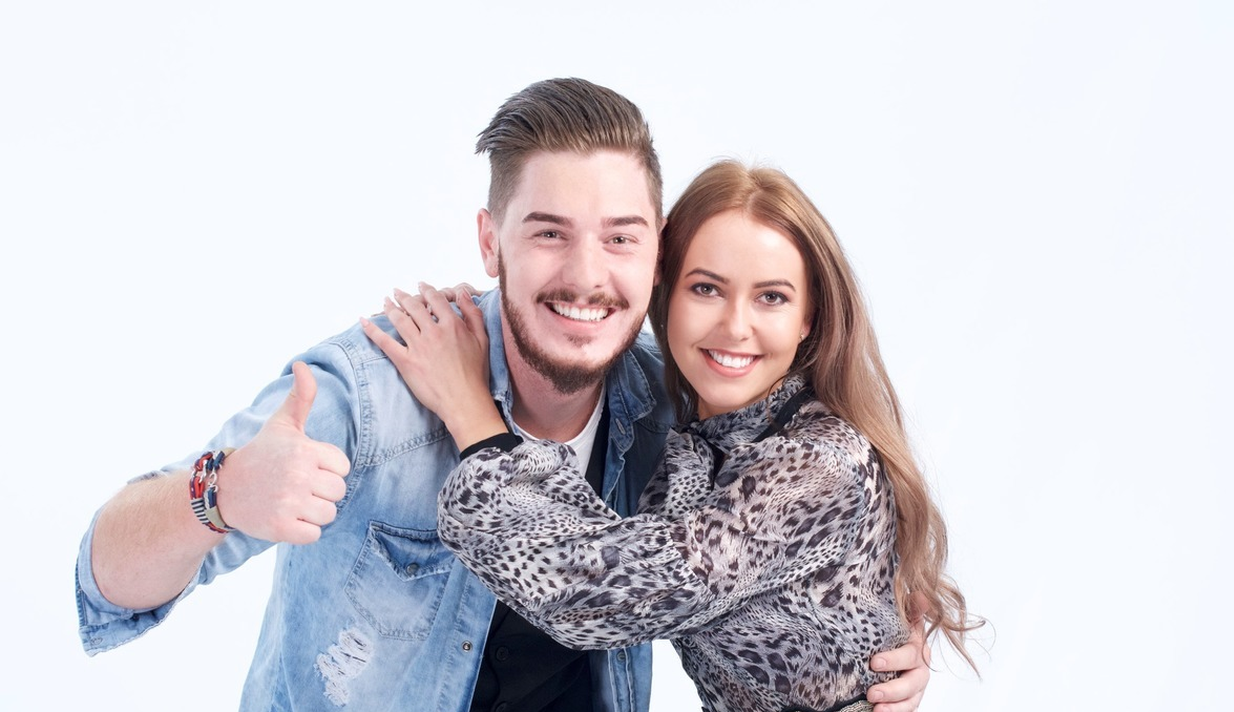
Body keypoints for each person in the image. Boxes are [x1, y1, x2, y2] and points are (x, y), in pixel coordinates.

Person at [76, 79, 931, 711]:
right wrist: (219, 494)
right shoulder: (369, 394)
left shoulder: (672, 409)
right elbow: (103, 579)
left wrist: (872, 655)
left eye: (620, 238)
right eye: (549, 233)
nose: (587, 276)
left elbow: (764, 552)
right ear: (490, 242)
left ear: (657, 255)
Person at [369, 160, 976, 712]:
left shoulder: (817, 463)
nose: (735, 326)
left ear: (807, 320)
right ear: (664, 289)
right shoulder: (688, 430)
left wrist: (473, 417)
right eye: (706, 288)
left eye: (771, 297)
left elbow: (600, 591)